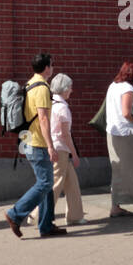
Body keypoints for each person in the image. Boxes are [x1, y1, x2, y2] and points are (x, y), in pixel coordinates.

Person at [4, 53, 65, 240]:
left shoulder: (30, 84)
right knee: (45, 183)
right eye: (51, 65)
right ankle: (15, 214)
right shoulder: (42, 88)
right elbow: (43, 118)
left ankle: (46, 225)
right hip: (38, 143)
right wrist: (51, 146)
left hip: (29, 140)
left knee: (45, 184)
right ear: (46, 68)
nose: (52, 68)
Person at [106, 61, 133, 217]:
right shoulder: (128, 88)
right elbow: (126, 113)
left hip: (112, 132)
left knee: (118, 169)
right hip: (127, 133)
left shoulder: (114, 85)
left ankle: (116, 206)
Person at [49, 73, 83, 225]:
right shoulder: (63, 108)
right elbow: (65, 134)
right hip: (61, 149)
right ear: (63, 89)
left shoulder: (51, 104)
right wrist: (74, 154)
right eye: (69, 87)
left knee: (72, 183)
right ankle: (37, 215)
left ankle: (75, 216)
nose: (71, 90)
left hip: (56, 147)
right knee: (56, 184)